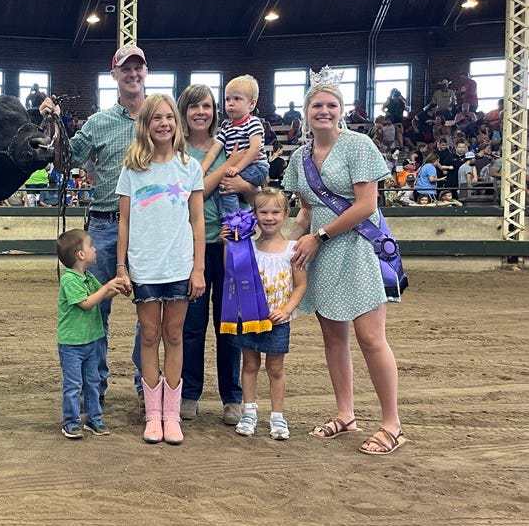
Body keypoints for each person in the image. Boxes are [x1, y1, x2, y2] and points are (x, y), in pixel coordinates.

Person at [284, 68, 406, 456]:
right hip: (320, 254)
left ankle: (392, 423)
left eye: (331, 105)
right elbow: (305, 210)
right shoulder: (299, 157)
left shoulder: (358, 146)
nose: (324, 110)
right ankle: (346, 413)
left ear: (341, 110)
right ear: (306, 112)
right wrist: (282, 244)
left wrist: (318, 237)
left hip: (354, 249)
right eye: (317, 104)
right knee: (333, 338)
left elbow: (367, 205)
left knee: (371, 338)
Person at [39, 44, 148, 406]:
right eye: (126, 69)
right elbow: (65, 158)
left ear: (145, 73)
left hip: (150, 227)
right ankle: (93, 390)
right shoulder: (100, 123)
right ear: (115, 75)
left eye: (138, 68)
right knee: (95, 313)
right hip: (105, 223)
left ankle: (145, 384)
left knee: (151, 312)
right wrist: (53, 121)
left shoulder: (162, 117)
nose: (133, 74)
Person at [115, 93, 206, 445]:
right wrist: (122, 266)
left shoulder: (189, 167)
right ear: (146, 125)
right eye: (157, 118)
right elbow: (124, 221)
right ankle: (153, 414)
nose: (164, 123)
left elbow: (197, 221)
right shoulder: (133, 168)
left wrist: (198, 268)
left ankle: (172, 413)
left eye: (169, 117)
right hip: (145, 266)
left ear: (176, 123)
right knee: (149, 337)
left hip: (179, 265)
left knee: (174, 335)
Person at [229, 189, 307, 440]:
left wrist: (286, 309)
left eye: (275, 212)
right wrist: (229, 241)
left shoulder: (293, 250)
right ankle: (249, 411)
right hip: (250, 319)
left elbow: (301, 285)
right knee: (249, 364)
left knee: (276, 368)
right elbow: (232, 273)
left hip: (278, 320)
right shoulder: (246, 247)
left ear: (285, 215)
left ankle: (277, 416)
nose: (269, 217)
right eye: (263, 212)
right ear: (254, 215)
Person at [55, 229, 128, 439]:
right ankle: (71, 421)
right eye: (91, 246)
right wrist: (107, 288)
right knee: (74, 384)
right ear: (80, 254)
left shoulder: (87, 277)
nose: (95, 249)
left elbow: (103, 294)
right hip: (72, 344)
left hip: (91, 341)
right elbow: (87, 303)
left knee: (92, 381)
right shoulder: (69, 280)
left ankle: (93, 418)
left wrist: (118, 286)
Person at [200, 75, 268, 218]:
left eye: (237, 99)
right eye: (227, 99)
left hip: (256, 167)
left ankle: (234, 222)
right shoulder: (226, 126)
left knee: (226, 185)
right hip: (241, 167)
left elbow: (254, 149)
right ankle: (233, 218)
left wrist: (237, 167)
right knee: (225, 188)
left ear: (251, 104)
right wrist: (202, 169)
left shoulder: (253, 122)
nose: (230, 103)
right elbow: (214, 150)